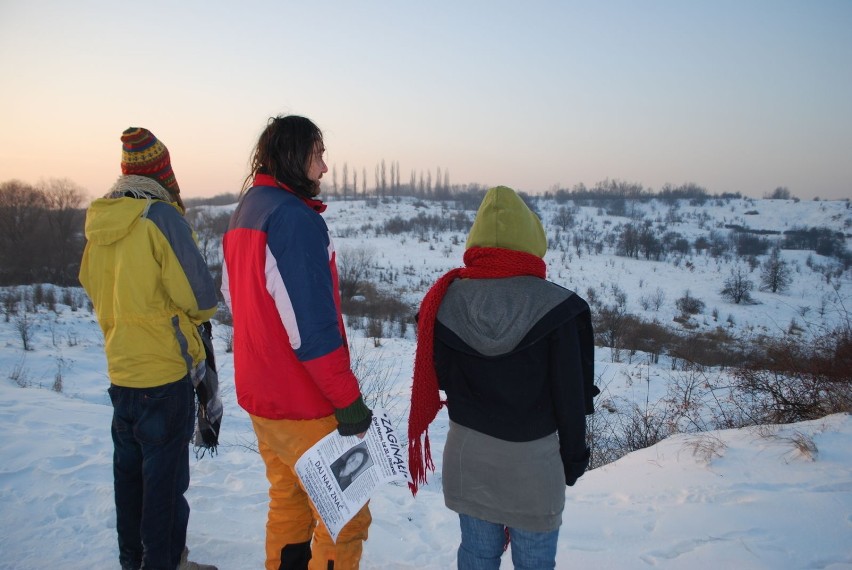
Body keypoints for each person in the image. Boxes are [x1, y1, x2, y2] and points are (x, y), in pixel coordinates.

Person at [408, 186, 598, 570]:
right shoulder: (561, 310)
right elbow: (570, 397)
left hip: (469, 457)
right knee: (535, 563)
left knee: (477, 556)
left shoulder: (441, 304)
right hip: (534, 465)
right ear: (531, 239)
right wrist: (574, 460)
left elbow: (440, 376)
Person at [221, 115, 373, 570]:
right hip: (306, 403)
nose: (324, 168)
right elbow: (312, 329)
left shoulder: (247, 211)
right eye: (318, 155)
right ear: (293, 156)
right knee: (343, 515)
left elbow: (232, 298)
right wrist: (347, 400)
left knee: (288, 501)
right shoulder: (293, 219)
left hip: (262, 398)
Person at [79, 127, 219, 570]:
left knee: (131, 483)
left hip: (121, 373)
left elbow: (91, 285)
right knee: (165, 488)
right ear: (162, 171)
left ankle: (132, 563)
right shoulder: (160, 217)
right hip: (165, 374)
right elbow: (202, 298)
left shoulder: (101, 223)